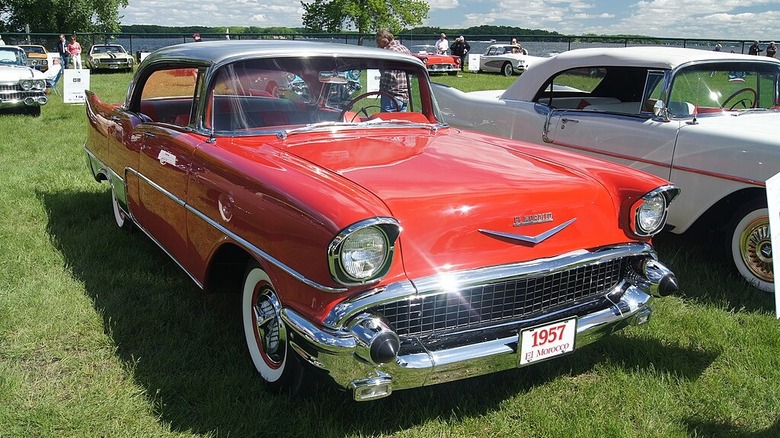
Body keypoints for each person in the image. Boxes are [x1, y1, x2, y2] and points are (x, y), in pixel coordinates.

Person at [375, 29, 411, 112]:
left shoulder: (390, 52)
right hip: (404, 96)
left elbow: (389, 75)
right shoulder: (405, 49)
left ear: (384, 41)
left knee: (387, 123)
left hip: (391, 96)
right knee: (400, 123)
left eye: (379, 44)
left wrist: (382, 89)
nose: (378, 47)